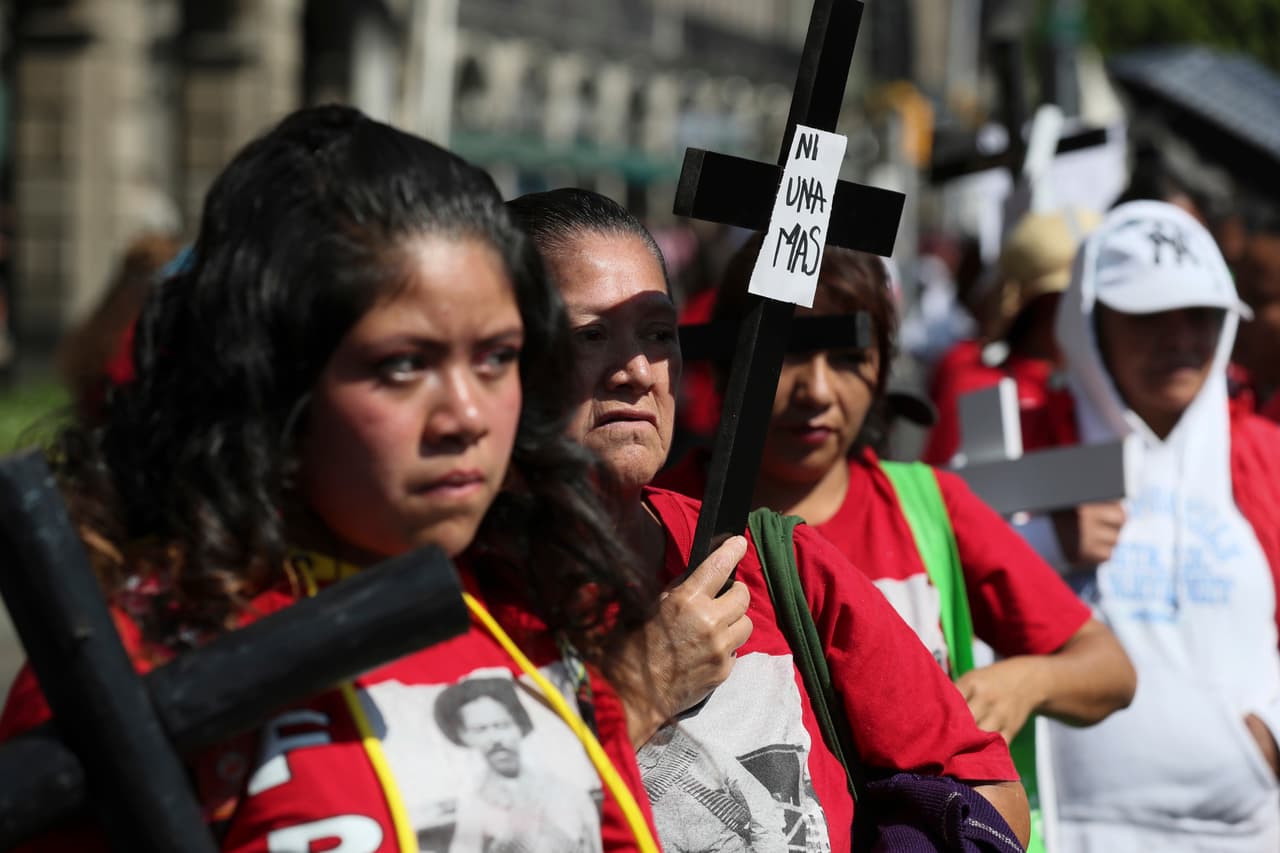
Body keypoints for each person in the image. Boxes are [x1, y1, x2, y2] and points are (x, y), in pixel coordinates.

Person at [0, 106, 662, 853]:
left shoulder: (538, 621)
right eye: (403, 364)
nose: (467, 416)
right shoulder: (138, 657)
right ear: (273, 379)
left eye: (496, 357)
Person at [508, 188, 1032, 853]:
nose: (637, 371)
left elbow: (987, 796)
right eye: (590, 335)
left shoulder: (779, 562)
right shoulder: (448, 602)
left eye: (658, 335)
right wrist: (638, 689)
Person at [1021, 200, 1280, 850]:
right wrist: (1042, 545)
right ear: (1090, 323)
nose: (1179, 337)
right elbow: (936, 585)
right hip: (1069, 834)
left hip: (1250, 833)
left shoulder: (1266, 456)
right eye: (1147, 316)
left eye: (1199, 314)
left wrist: (1271, 735)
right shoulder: (1021, 444)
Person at [922, 209, 1099, 465]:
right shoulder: (978, 387)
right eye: (1076, 298)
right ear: (1040, 306)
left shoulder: (1106, 391)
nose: (1094, 314)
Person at [435, 678, 600, 853]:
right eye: (480, 729)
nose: (495, 738)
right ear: (464, 736)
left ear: (519, 726)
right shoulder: (474, 803)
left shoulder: (566, 790)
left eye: (502, 725)